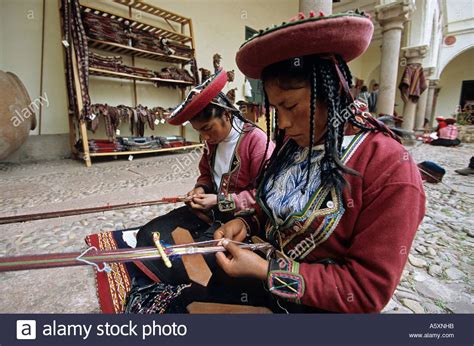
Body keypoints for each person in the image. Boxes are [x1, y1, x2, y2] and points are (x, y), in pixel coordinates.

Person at [212, 10, 426, 313]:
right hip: (257, 282)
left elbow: (365, 291)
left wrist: (267, 272)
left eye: (290, 105)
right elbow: (273, 210)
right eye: (275, 109)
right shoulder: (296, 142)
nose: (282, 123)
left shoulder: (388, 167)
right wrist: (246, 222)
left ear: (331, 92)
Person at [134, 68, 274, 284]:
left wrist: (221, 200)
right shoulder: (212, 143)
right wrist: (200, 189)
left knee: (188, 265)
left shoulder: (257, 141)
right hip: (210, 214)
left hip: (240, 221)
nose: (206, 137)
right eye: (200, 132)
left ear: (226, 114)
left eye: (208, 128)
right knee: (149, 233)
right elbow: (207, 175)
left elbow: (267, 195)